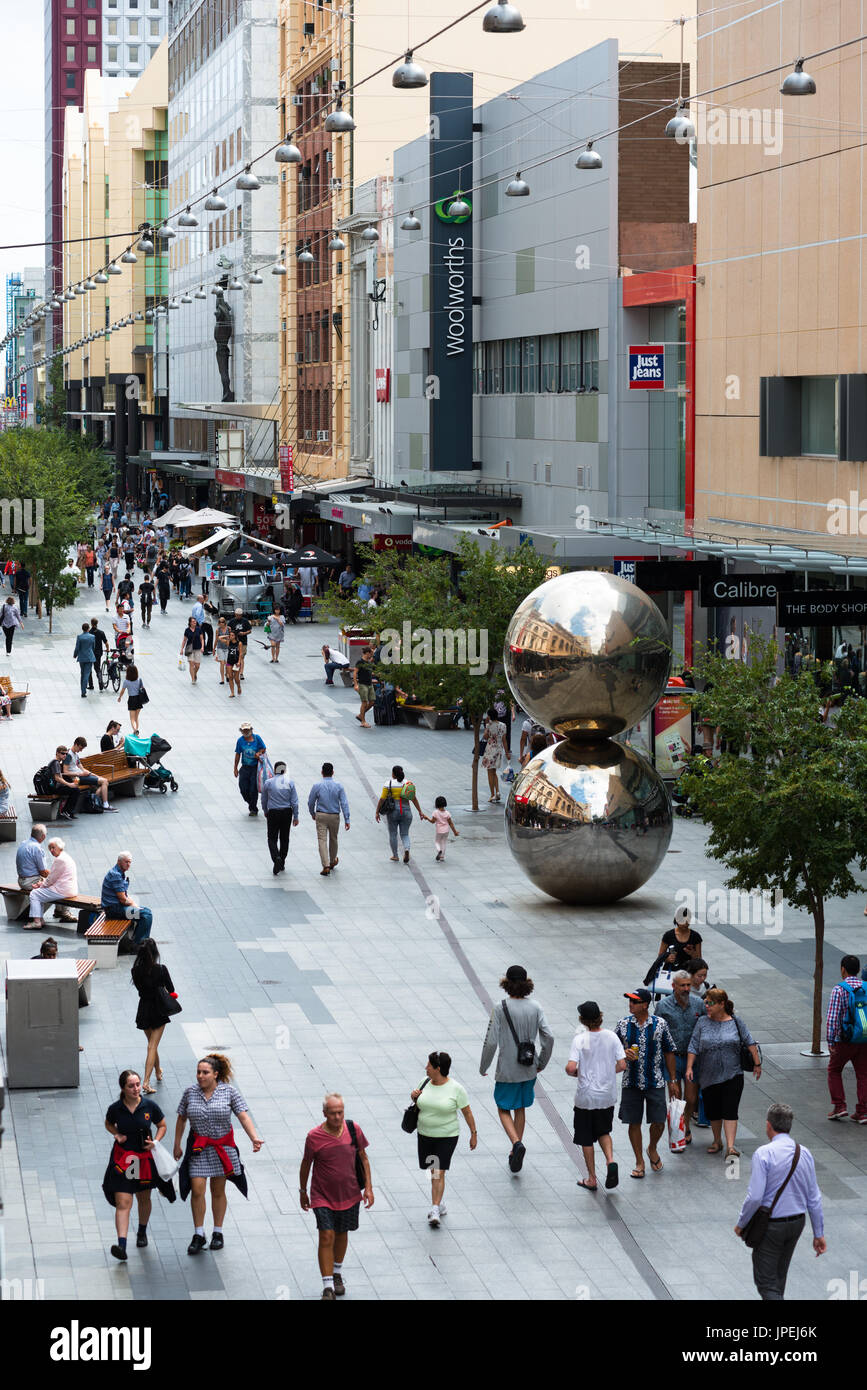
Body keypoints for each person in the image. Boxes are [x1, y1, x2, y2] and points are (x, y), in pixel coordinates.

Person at [174, 1054, 264, 1255]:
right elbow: (181, 1118)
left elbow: (242, 1115)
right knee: (197, 1189)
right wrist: (177, 1144)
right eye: (198, 1072)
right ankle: (198, 1233)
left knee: (217, 1190)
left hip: (222, 1148)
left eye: (205, 1072)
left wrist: (254, 1138)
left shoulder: (229, 1092)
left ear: (215, 1074)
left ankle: (217, 1231)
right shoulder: (190, 1093)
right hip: (198, 1148)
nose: (200, 1076)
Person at [734, 1101, 825, 1300]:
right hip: (796, 1223)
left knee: (766, 1283)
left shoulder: (764, 1154)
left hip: (771, 1226)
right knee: (778, 1277)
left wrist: (741, 1223)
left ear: (768, 1125)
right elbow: (814, 1197)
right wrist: (818, 1233)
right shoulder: (805, 1153)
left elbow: (755, 1197)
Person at [479, 965, 554, 1172]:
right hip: (528, 1066)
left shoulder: (500, 1007)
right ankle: (515, 1151)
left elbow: (492, 1041)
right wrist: (541, 1062)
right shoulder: (536, 1007)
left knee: (503, 1107)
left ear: (506, 984)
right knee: (520, 1107)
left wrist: (484, 1064)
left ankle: (516, 1144)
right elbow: (549, 1036)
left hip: (507, 1068)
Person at [300, 1092, 374, 1300]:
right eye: (332, 1113)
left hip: (350, 1193)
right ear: (324, 1113)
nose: (337, 1117)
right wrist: (303, 1191)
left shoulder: (353, 1129)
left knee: (341, 1233)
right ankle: (328, 1286)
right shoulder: (314, 1136)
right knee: (326, 1235)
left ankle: (337, 1273)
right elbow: (306, 1164)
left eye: (340, 1112)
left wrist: (368, 1187)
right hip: (321, 1194)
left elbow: (364, 1158)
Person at [103, 1069, 176, 1262]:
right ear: (123, 1088)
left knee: (144, 1198)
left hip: (144, 1159)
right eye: (131, 1086)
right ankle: (122, 1245)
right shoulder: (115, 1108)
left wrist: (156, 1142)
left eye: (137, 1085)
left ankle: (142, 1231)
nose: (136, 1089)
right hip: (124, 1160)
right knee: (123, 1202)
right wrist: (116, 1134)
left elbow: (162, 1125)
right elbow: (108, 1124)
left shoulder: (149, 1106)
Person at [686, 988, 761, 1159]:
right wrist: (690, 1067)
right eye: (706, 1002)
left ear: (721, 1004)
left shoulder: (735, 1021)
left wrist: (757, 1064)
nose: (707, 1006)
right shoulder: (702, 1022)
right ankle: (716, 1141)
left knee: (730, 1109)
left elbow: (749, 1042)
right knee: (713, 1111)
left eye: (710, 1003)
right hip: (708, 1075)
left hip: (733, 1073)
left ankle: (730, 1146)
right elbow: (693, 1045)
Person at [614, 988, 679, 1178]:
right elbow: (611, 1047)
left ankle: (652, 1147)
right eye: (630, 1001)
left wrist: (673, 1080)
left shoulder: (660, 1024)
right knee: (633, 1122)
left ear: (645, 1004)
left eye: (634, 1001)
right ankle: (639, 1161)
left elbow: (669, 1051)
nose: (630, 1004)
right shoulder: (623, 1024)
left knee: (659, 1121)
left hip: (655, 1081)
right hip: (631, 1081)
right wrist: (622, 1054)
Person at [566, 1000, 627, 1191]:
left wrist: (575, 1073)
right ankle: (610, 1161)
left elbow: (571, 1067)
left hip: (586, 1096)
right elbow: (623, 1064)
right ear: (600, 1016)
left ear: (582, 1019)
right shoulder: (611, 1036)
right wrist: (608, 1072)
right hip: (607, 1095)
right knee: (603, 1131)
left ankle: (592, 1178)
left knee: (585, 1137)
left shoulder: (580, 1039)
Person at [412, 1051, 477, 1228]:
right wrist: (414, 1098)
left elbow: (467, 1112)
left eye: (429, 1066)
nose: (426, 1067)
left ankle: (434, 1209)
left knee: (437, 1171)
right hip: (425, 1134)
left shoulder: (456, 1089)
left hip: (446, 1136)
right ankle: (439, 1203)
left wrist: (473, 1133)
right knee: (434, 1171)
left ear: (438, 1069)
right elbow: (418, 1104)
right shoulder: (424, 1082)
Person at [655, 970, 705, 1143]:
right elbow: (657, 1032)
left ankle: (686, 1124)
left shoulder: (699, 1004)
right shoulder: (663, 1007)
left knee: (691, 1098)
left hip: (692, 1058)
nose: (686, 989)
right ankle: (678, 1133)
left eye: (688, 985)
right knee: (675, 1096)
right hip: (672, 1058)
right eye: (682, 985)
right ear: (673, 986)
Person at [131, 940, 177, 1095]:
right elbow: (171, 989)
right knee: (152, 1046)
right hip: (158, 1009)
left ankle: (158, 1071)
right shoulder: (161, 969)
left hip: (143, 1009)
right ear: (155, 952)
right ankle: (145, 1082)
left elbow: (139, 989)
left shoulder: (135, 971)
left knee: (152, 1043)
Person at [826, 954, 867, 1122]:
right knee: (863, 1074)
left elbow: (832, 1018)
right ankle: (863, 1112)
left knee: (834, 1070)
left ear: (843, 969)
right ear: (858, 970)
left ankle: (839, 1106)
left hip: (844, 1039)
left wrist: (830, 1041)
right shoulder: (866, 986)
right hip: (864, 1039)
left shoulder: (839, 989)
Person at [375, 765, 426, 864]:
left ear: (393, 774)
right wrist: (420, 811)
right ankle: (406, 849)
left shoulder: (388, 783)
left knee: (393, 834)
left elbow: (382, 799)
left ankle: (395, 855)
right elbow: (414, 799)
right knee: (405, 834)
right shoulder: (408, 783)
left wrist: (377, 811)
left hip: (393, 812)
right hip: (406, 811)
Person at [102, 851, 153, 948]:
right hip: (115, 911)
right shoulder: (116, 875)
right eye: (126, 862)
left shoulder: (119, 873)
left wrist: (135, 906)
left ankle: (139, 941)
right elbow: (123, 900)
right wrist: (134, 905)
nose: (128, 864)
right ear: (119, 861)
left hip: (117, 908)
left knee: (145, 912)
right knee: (146, 914)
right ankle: (138, 945)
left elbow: (124, 895)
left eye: (130, 862)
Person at [308, 762, 350, 876]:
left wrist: (312, 813)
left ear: (322, 772)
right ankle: (332, 861)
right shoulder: (339, 786)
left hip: (321, 815)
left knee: (322, 840)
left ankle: (325, 865)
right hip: (334, 816)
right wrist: (347, 819)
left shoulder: (317, 786)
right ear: (333, 772)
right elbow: (344, 803)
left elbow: (311, 801)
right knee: (333, 838)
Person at [27, 837, 78, 929]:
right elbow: (53, 878)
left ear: (60, 847)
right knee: (39, 893)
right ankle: (40, 920)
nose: (51, 850)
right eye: (50, 848)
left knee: (34, 894)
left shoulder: (60, 860)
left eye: (53, 847)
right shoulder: (65, 856)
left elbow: (51, 879)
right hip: (68, 889)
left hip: (63, 890)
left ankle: (37, 922)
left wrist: (40, 885)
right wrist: (42, 885)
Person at [261, 759, 299, 875]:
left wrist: (265, 810)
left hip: (273, 812)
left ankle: (276, 857)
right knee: (284, 838)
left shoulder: (268, 783)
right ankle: (282, 860)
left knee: (272, 838)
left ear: (274, 770)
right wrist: (296, 816)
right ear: (284, 770)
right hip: (287, 812)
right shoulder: (290, 783)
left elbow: (264, 799)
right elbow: (295, 802)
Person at [63, 737, 115, 813]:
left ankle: (96, 799)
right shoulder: (69, 755)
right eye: (80, 748)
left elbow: (83, 769)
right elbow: (65, 772)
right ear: (76, 744)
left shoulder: (75, 755)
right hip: (77, 778)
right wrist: (80, 774)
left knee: (104, 781)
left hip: (81, 776)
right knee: (104, 782)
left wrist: (96, 775)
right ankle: (105, 805)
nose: (80, 751)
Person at [654, 905, 704, 972]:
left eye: (687, 921)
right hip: (671, 971)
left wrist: (692, 953)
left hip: (689, 972)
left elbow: (699, 960)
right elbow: (660, 956)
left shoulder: (695, 936)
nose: (685, 924)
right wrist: (668, 959)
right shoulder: (668, 935)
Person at [234, 721, 266, 816]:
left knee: (253, 789)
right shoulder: (240, 741)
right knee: (243, 788)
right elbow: (238, 754)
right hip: (245, 768)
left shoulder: (257, 738)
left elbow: (263, 748)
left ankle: (253, 808)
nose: (246, 731)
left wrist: (259, 753)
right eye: (244, 730)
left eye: (248, 730)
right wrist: (235, 768)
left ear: (251, 730)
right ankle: (251, 803)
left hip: (255, 768)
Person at [481, 707, 510, 802]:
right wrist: (507, 752)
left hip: (490, 749)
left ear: (489, 716)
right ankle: (497, 792)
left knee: (490, 772)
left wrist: (486, 725)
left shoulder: (489, 725)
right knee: (494, 772)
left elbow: (485, 737)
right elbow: (504, 740)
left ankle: (492, 794)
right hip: (498, 750)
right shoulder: (503, 725)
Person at [48, 745, 80, 821]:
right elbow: (57, 778)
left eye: (66, 753)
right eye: (63, 753)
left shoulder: (57, 762)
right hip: (54, 788)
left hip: (55, 786)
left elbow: (60, 776)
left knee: (75, 789)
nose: (65, 755)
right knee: (76, 790)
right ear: (57, 753)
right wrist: (69, 784)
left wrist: (70, 784)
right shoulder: (55, 763)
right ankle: (66, 811)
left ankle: (67, 811)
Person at [16, 823, 49, 891]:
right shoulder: (37, 848)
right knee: (53, 887)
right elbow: (43, 872)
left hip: (21, 881)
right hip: (30, 882)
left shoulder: (23, 843)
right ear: (43, 836)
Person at [119, 663, 147, 734]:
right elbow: (142, 688)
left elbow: (122, 691)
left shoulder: (126, 681)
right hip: (139, 699)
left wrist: (120, 697)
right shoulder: (139, 680)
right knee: (136, 718)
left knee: (132, 718)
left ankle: (135, 730)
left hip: (131, 699)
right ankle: (136, 730)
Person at [431, 796, 459, 861]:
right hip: (446, 830)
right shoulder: (447, 813)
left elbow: (432, 821)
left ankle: (439, 851)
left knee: (437, 842)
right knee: (443, 842)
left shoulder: (435, 812)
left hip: (439, 830)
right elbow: (451, 823)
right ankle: (442, 857)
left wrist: (426, 818)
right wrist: (455, 832)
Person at [353, 649, 376, 728]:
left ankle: (360, 715)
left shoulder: (369, 662)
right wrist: (356, 685)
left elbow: (369, 672)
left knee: (372, 701)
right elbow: (355, 673)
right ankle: (363, 721)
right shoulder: (360, 662)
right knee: (364, 702)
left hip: (370, 684)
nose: (372, 656)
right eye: (371, 654)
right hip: (363, 685)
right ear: (367, 653)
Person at [72, 622, 96, 699]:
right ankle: (83, 691)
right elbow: (93, 647)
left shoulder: (79, 637)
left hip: (82, 657)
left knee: (82, 673)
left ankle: (82, 690)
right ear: (88, 629)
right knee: (87, 674)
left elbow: (77, 647)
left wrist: (75, 655)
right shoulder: (92, 637)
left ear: (82, 629)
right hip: (89, 657)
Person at [228, 608, 251, 679]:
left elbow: (250, 630)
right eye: (237, 615)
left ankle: (241, 672)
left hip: (243, 641)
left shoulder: (245, 621)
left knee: (241, 657)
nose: (238, 616)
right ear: (235, 614)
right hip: (233, 642)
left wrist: (244, 633)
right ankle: (232, 671)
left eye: (240, 615)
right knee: (233, 657)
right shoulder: (231, 621)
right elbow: (228, 630)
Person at [88, 617, 109, 692]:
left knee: (89, 669)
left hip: (90, 653)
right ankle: (100, 683)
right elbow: (106, 643)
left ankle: (91, 685)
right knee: (97, 668)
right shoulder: (101, 632)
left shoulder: (89, 633)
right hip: (98, 653)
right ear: (97, 623)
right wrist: (107, 649)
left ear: (91, 623)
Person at [214, 615, 230, 684]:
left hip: (227, 647)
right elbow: (216, 639)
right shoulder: (218, 630)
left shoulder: (228, 629)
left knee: (227, 663)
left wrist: (223, 637)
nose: (221, 623)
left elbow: (230, 637)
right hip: (220, 647)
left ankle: (227, 674)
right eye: (220, 622)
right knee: (222, 663)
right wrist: (213, 648)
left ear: (225, 622)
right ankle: (222, 679)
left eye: (222, 622)